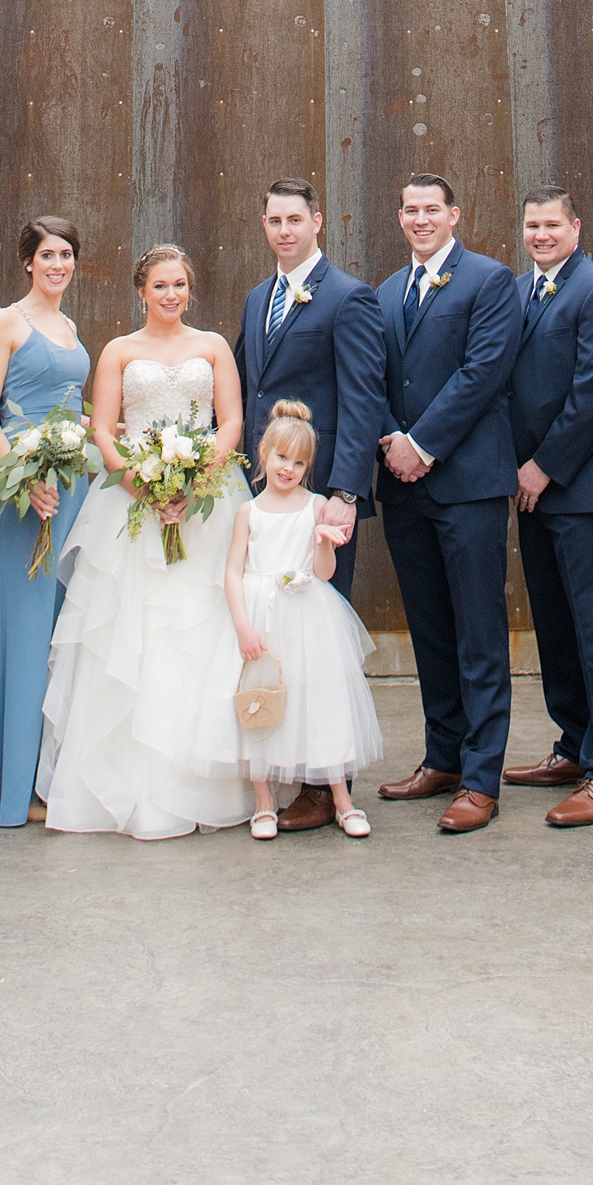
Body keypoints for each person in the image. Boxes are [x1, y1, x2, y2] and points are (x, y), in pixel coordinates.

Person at [39, 244, 253, 839]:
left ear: (190, 289)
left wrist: (195, 481)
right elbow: (104, 429)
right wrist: (142, 483)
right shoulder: (118, 351)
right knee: (133, 630)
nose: (171, 295)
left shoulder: (211, 346)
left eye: (179, 284)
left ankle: (203, 779)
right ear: (141, 292)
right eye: (159, 285)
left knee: (198, 629)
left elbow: (231, 421)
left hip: (205, 500)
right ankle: (125, 785)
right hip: (131, 501)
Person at [234, 174, 388, 833]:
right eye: (274, 220)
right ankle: (286, 770)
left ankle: (330, 786)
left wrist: (346, 493)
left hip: (319, 500)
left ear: (317, 221)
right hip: (264, 497)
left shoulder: (349, 298)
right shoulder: (255, 297)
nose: (285, 230)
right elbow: (249, 392)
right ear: (264, 224)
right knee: (276, 642)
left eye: (295, 218)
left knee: (320, 646)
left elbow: (362, 399)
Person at [374, 173, 521, 835]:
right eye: (410, 209)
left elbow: (484, 372)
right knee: (430, 628)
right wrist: (392, 442)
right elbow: (371, 375)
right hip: (405, 487)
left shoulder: (490, 281)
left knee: (478, 631)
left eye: (432, 208)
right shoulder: (384, 292)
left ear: (454, 213)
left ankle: (482, 776)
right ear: (399, 215)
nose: (421, 218)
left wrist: (423, 443)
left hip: (467, 484)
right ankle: (443, 756)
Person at [503, 186, 593, 827]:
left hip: (583, 491)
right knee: (555, 629)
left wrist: (544, 466)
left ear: (576, 228)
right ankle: (573, 745)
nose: (540, 234)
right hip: (534, 494)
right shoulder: (520, 290)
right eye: (532, 225)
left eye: (552, 224)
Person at [198, 400, 382, 839]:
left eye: (299, 463)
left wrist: (323, 542)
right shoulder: (249, 511)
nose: (289, 469)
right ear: (263, 452)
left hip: (308, 617)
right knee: (259, 702)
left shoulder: (316, 506)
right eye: (282, 457)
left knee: (319, 702)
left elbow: (324, 574)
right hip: (259, 617)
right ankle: (264, 799)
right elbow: (232, 572)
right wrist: (242, 626)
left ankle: (341, 799)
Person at [0, 217, 93, 829]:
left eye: (66, 255)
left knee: (57, 636)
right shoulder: (6, 322)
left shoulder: (70, 327)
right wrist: (24, 475)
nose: (57, 265)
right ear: (27, 261)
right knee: (22, 632)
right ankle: (11, 784)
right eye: (47, 254)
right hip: (23, 492)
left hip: (71, 487)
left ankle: (51, 775)